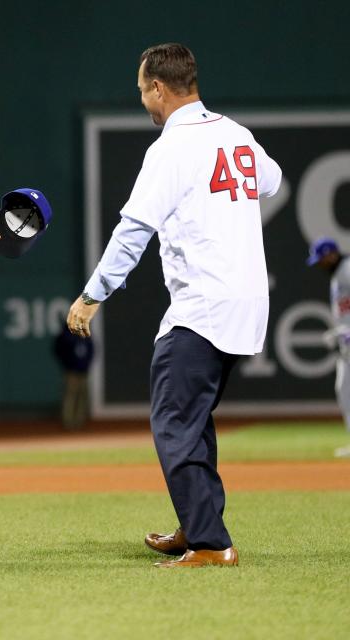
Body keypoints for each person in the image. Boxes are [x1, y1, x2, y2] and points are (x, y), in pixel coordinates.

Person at [66, 43, 282, 568]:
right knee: (194, 420)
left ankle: (211, 543)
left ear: (159, 88)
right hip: (247, 299)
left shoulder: (172, 146)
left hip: (203, 305)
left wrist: (93, 295)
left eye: (142, 89)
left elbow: (133, 230)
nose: (142, 98)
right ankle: (197, 525)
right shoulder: (234, 133)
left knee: (174, 422)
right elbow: (271, 182)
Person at [305, 237, 350, 458]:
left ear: (331, 254)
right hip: (347, 347)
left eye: (321, 259)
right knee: (344, 391)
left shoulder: (347, 269)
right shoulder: (337, 274)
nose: (320, 264)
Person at [52, 325, 94, 430]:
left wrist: (87, 365)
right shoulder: (66, 334)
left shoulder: (85, 332)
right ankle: (68, 422)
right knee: (70, 397)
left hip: (83, 371)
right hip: (71, 371)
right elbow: (58, 349)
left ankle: (79, 422)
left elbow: (91, 350)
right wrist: (67, 364)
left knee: (82, 397)